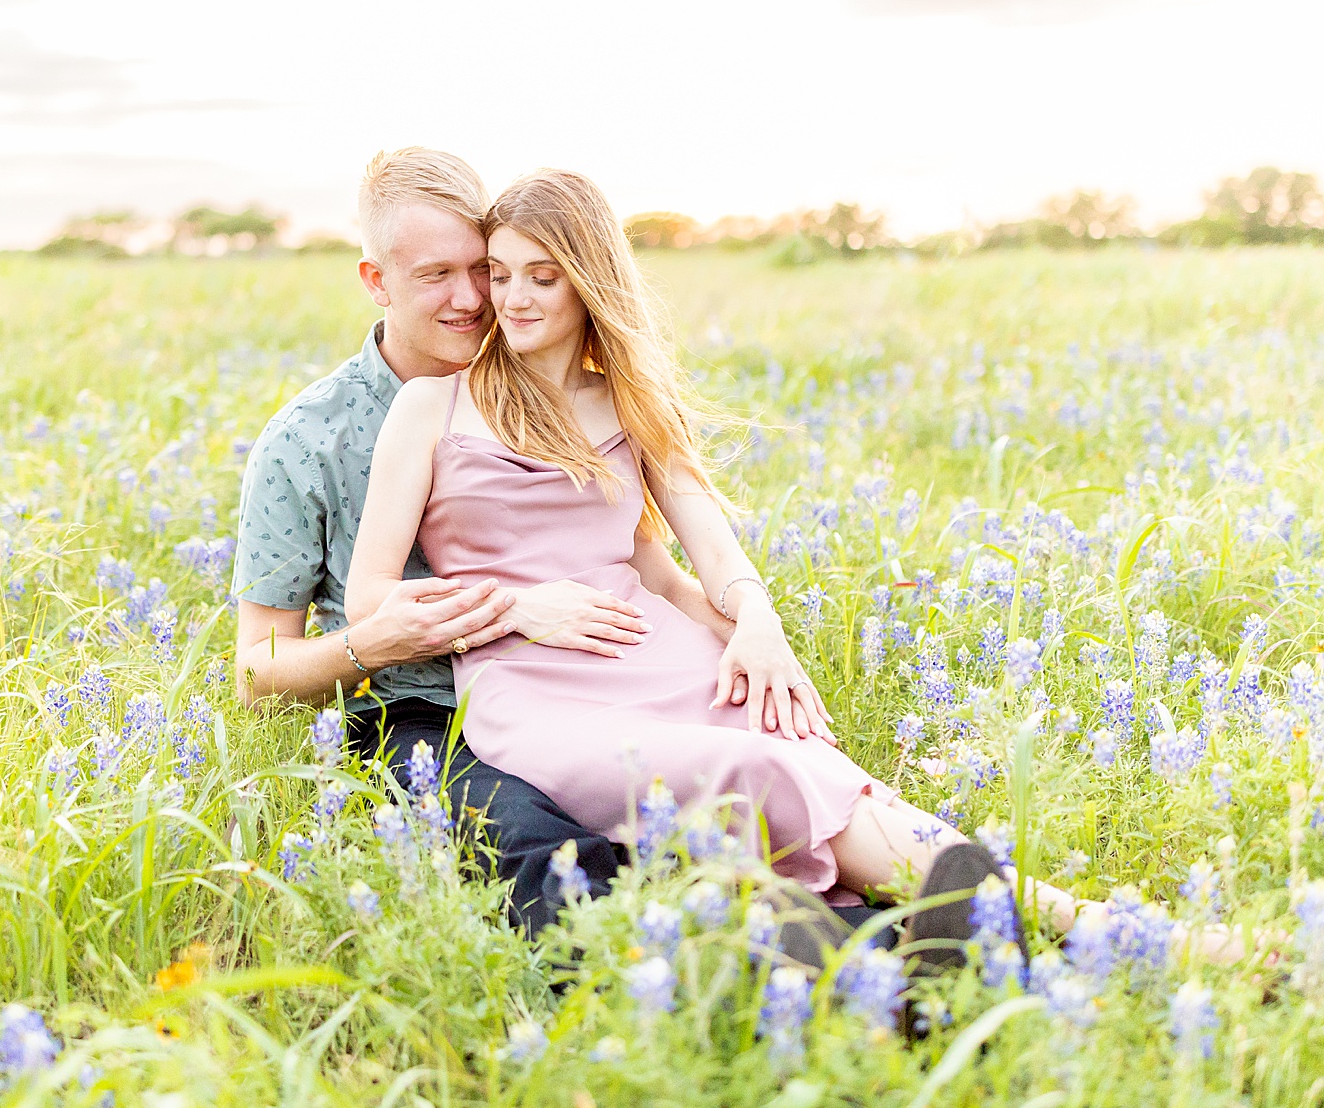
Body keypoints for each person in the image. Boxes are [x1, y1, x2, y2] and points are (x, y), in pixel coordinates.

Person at [345, 167, 1246, 961]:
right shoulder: (432, 405)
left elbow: (705, 543)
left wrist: (760, 627)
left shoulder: (624, 400)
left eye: (543, 276)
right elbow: (369, 598)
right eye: (501, 275)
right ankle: (1082, 931)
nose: (512, 298)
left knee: (804, 748)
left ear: (590, 284)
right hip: (534, 689)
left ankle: (992, 933)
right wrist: (514, 605)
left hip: (665, 652)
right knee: (763, 772)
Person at [233, 147, 735, 936]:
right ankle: (659, 981)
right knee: (549, 852)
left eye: (485, 269)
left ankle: (832, 938)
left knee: (724, 799)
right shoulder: (308, 440)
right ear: (376, 280)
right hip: (425, 714)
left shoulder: (557, 383)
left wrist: (754, 637)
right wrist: (368, 645)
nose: (472, 299)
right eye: (436, 275)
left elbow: (646, 565)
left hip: (589, 683)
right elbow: (259, 670)